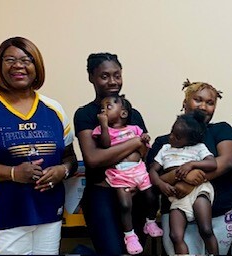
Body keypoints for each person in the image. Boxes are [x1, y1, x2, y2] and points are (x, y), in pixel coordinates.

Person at [0, 36, 77, 255]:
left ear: (36, 66)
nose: (18, 65)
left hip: (49, 212)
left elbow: (70, 157)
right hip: (7, 215)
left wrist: (63, 170)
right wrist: (13, 173)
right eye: (10, 59)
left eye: (26, 59)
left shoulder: (54, 109)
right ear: (0, 66)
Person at [74, 53, 156, 254]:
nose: (113, 81)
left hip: (133, 192)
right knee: (111, 251)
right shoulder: (85, 114)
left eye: (117, 75)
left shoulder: (132, 113)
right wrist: (134, 142)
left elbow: (143, 155)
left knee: (133, 251)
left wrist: (134, 150)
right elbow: (93, 159)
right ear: (91, 77)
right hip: (101, 194)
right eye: (105, 76)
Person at [147, 80, 232, 255]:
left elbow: (226, 162)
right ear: (185, 102)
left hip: (218, 215)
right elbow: (153, 178)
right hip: (177, 213)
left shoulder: (222, 130)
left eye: (210, 103)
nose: (203, 106)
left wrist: (192, 181)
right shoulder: (164, 142)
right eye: (198, 100)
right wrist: (183, 176)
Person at [92, 94, 162, 254]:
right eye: (102, 108)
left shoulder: (134, 129)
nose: (103, 110)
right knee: (125, 205)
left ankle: (150, 222)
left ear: (123, 113)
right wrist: (103, 125)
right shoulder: (102, 130)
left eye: (108, 107)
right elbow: (105, 145)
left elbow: (144, 150)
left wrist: (144, 138)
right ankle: (130, 236)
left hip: (138, 170)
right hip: (119, 174)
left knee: (151, 197)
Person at [150, 111, 219, 255]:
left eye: (177, 136)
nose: (171, 137)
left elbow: (212, 164)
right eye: (171, 132)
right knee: (175, 235)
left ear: (190, 140)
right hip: (178, 196)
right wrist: (161, 184)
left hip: (199, 189)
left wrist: (191, 164)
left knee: (206, 229)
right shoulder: (165, 149)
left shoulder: (198, 147)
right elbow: (152, 171)